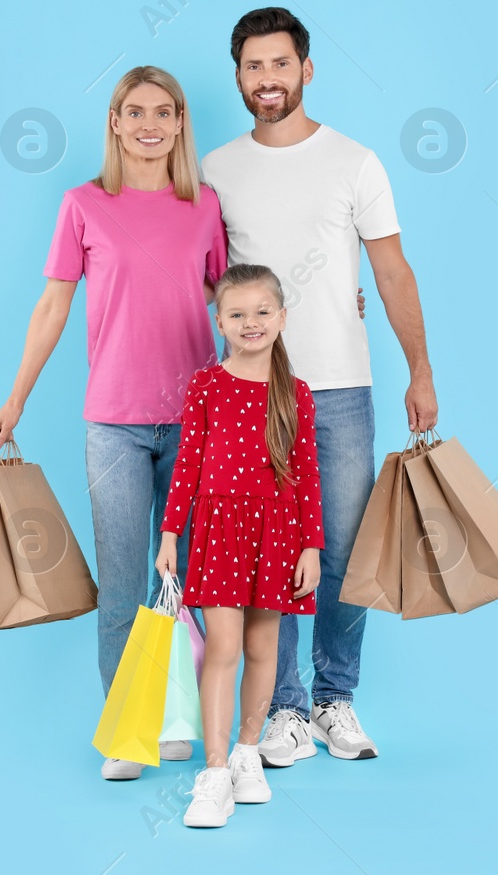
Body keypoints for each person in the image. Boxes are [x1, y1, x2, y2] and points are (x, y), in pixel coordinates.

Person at [200, 7, 439, 766]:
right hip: (252, 394)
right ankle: (285, 709)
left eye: (279, 64)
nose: (266, 80)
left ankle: (336, 695)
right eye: (252, 67)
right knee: (268, 554)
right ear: (238, 77)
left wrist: (420, 367)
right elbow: (204, 281)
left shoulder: (355, 161)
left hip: (338, 384)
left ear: (307, 69)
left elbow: (391, 269)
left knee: (337, 548)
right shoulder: (216, 169)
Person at [0, 66, 228, 782]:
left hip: (196, 421)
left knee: (184, 581)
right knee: (123, 586)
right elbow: (53, 307)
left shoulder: (205, 206)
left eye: (163, 111)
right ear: (116, 123)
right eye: (134, 111)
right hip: (115, 424)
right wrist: (17, 397)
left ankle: (181, 719)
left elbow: (232, 301)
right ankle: (129, 730)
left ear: (181, 122)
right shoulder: (83, 204)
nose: (149, 123)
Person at [155, 263, 322, 828]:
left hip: (277, 535)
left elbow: (306, 475)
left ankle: (249, 752)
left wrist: (311, 547)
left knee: (263, 646)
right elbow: (188, 465)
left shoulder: (295, 393)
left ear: (281, 316)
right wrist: (171, 534)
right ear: (219, 321)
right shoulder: (205, 385)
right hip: (220, 530)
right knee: (222, 646)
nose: (250, 323)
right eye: (237, 314)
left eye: (261, 312)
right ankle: (216, 770)